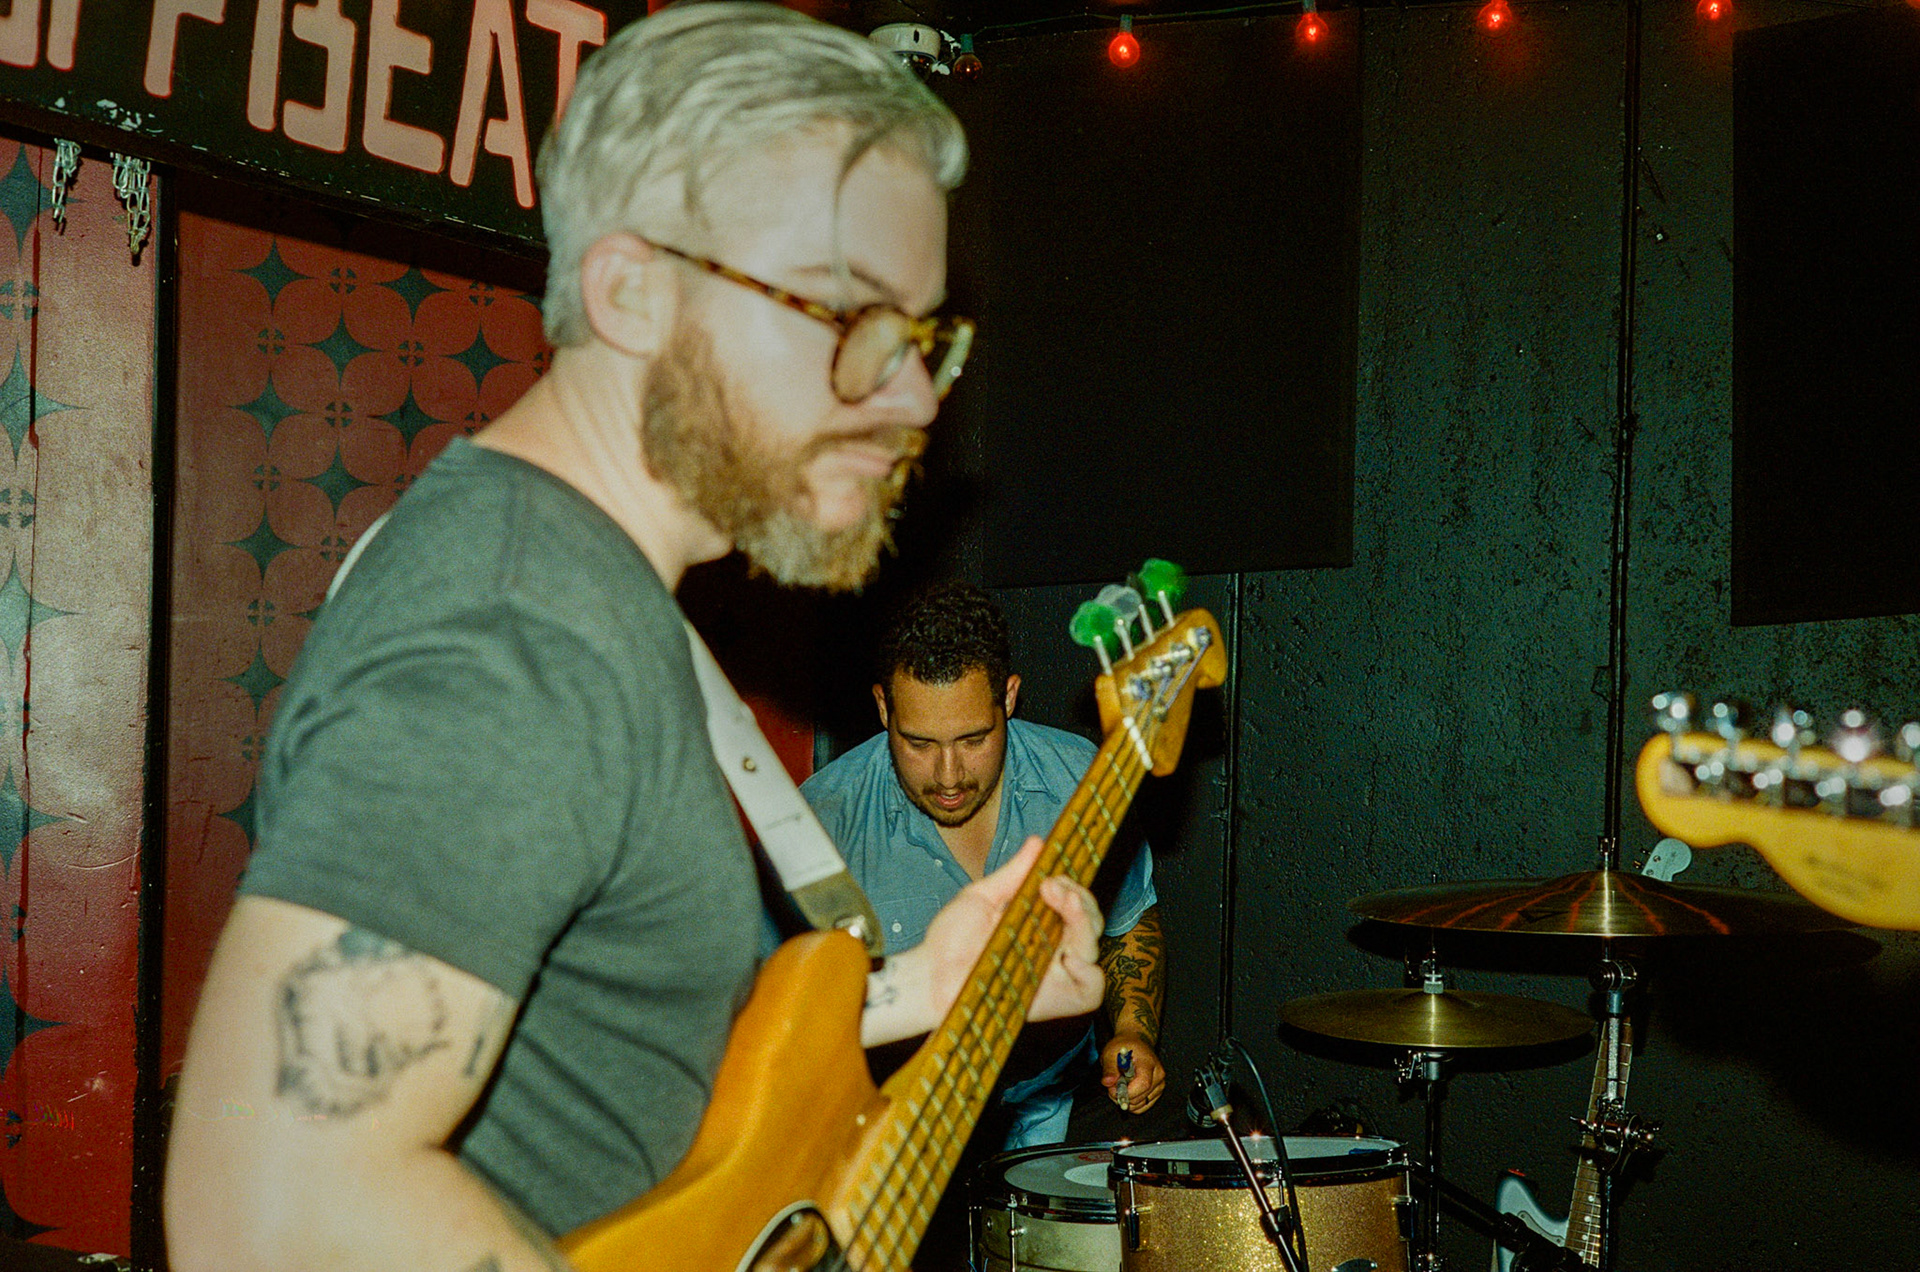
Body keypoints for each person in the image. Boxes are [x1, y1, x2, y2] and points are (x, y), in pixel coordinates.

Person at [161, 7, 1108, 1272]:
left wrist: (928, 988)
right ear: (631, 292)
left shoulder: (597, 601)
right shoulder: (519, 630)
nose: (913, 399)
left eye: (926, 340)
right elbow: (268, 1214)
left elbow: (596, 1076)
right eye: (854, 320)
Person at [803, 580, 1168, 1150]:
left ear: (1010, 697)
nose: (948, 776)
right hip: (900, 1119)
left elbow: (1129, 925)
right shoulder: (825, 819)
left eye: (973, 739)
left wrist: (1133, 1033)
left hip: (1056, 1094)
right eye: (919, 744)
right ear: (883, 708)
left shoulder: (1083, 781)